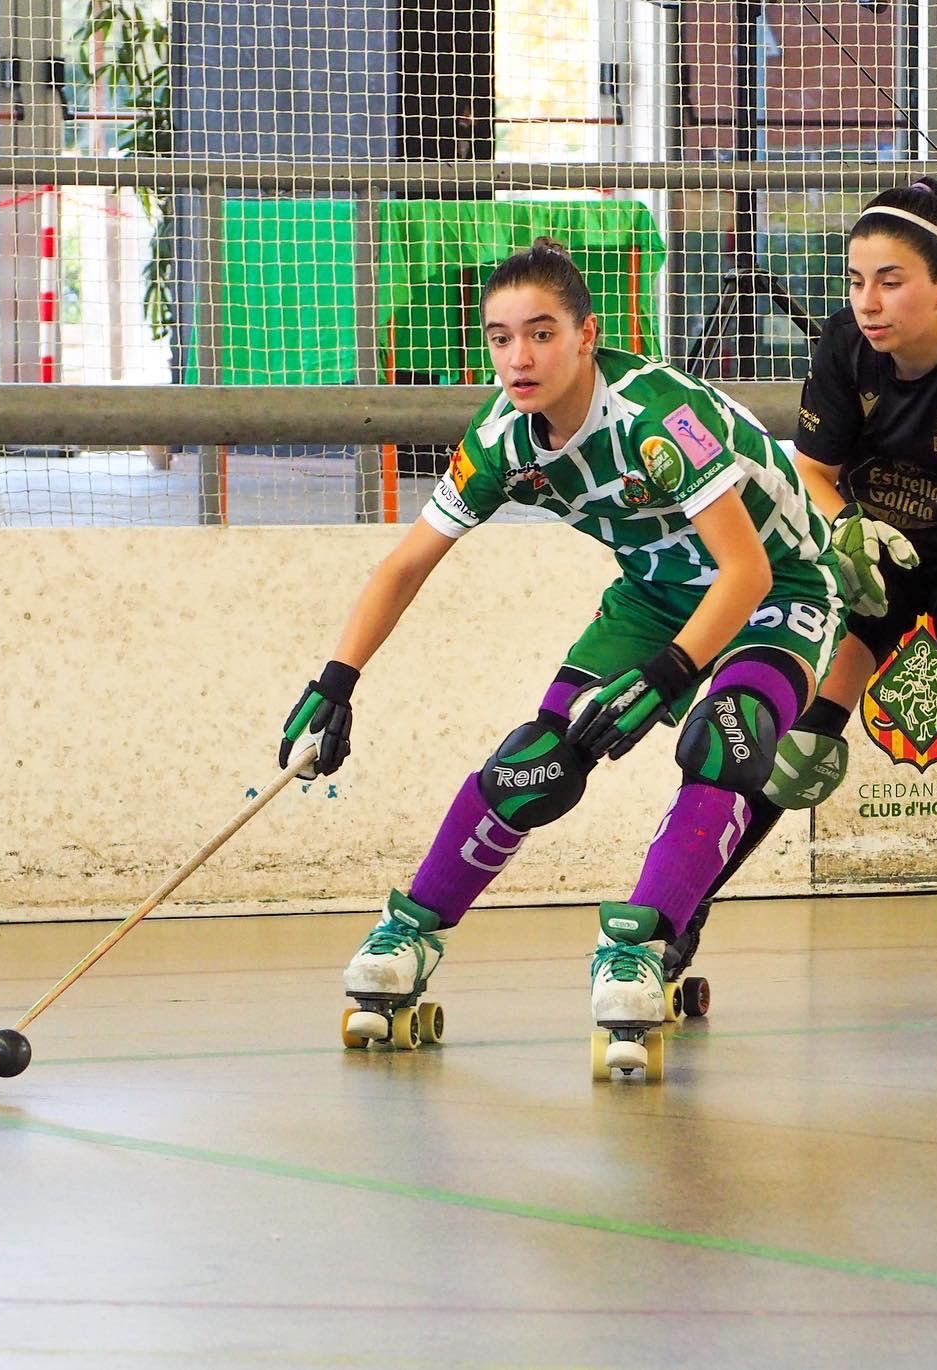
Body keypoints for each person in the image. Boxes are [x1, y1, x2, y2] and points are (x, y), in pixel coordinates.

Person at [278, 237, 846, 1071]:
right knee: (538, 758)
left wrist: (671, 675)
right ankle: (414, 929)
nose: (520, 356)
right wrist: (336, 681)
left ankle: (641, 949)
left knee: (725, 735)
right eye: (501, 337)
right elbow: (406, 563)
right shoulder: (505, 434)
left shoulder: (657, 420)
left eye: (541, 333)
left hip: (779, 590)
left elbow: (747, 569)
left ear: (587, 336)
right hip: (654, 592)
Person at [695, 177, 937, 1024]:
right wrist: (844, 532)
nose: (867, 300)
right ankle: (686, 902)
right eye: (856, 279)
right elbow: (815, 476)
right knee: (797, 738)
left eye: (890, 280)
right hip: (881, 556)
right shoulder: (842, 349)